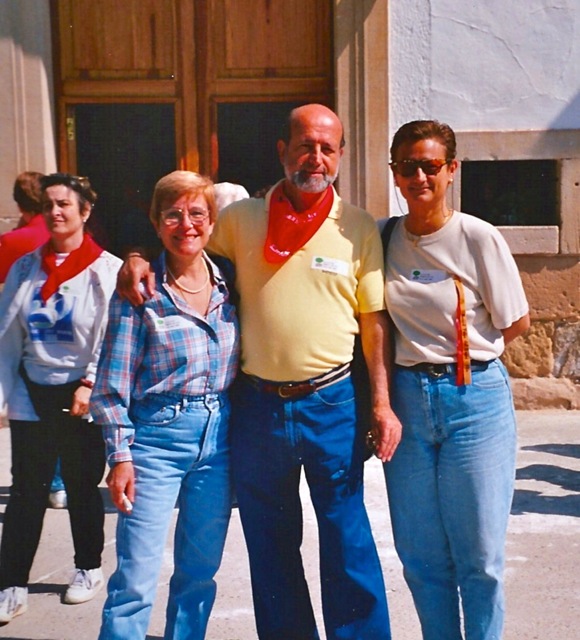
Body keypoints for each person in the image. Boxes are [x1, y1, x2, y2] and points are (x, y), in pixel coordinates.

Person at [119, 104, 401, 639]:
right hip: (259, 406)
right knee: (269, 542)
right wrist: (136, 256)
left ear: (341, 155)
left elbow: (373, 323)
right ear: (282, 151)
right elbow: (184, 246)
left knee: (347, 536)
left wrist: (382, 405)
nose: (315, 158)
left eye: (327, 148)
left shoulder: (358, 227)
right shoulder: (240, 219)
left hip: (332, 403)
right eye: (304, 145)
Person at [383, 120, 530, 640]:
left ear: (451, 170)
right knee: (421, 556)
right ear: (395, 173)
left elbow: (516, 322)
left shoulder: (476, 236)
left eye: (430, 166)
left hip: (474, 398)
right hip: (407, 401)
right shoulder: (384, 236)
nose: (419, 177)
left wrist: (461, 356)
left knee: (480, 557)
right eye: (408, 166)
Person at [90, 171, 239, 639]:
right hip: (156, 442)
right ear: (155, 223)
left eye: (197, 213)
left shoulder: (231, 283)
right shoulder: (139, 291)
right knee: (135, 577)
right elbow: (111, 386)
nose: (186, 224)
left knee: (200, 571)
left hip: (218, 442)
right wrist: (120, 456)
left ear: (212, 221)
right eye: (172, 215)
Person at [0, 173, 122, 623]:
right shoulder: (25, 268)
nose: (55, 212)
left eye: (65, 204)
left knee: (81, 486)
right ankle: (11, 583)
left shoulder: (105, 270)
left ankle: (88, 567)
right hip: (32, 390)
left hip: (80, 396)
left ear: (84, 211)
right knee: (27, 491)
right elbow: (7, 334)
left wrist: (91, 383)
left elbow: (111, 335)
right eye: (49, 204)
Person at [0, 171, 68, 509]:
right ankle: (58, 483)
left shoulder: (13, 241)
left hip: (28, 336)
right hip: (65, 332)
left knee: (29, 415)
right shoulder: (68, 234)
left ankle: (34, 484)